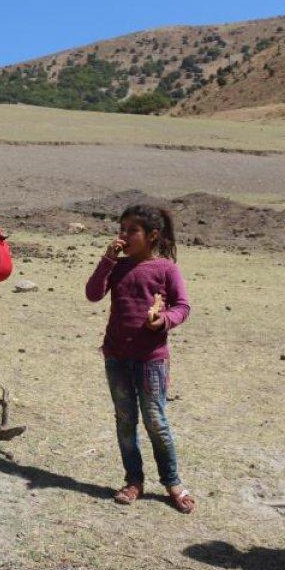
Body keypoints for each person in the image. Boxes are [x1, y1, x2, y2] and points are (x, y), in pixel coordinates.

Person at [85, 204, 194, 514]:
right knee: (125, 421)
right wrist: (107, 259)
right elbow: (93, 294)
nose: (125, 235)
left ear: (152, 235)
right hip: (116, 357)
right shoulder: (117, 267)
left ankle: (172, 482)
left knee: (156, 421)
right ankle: (134, 480)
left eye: (132, 230)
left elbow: (182, 306)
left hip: (151, 360)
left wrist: (164, 320)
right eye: (123, 229)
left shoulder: (166, 269)